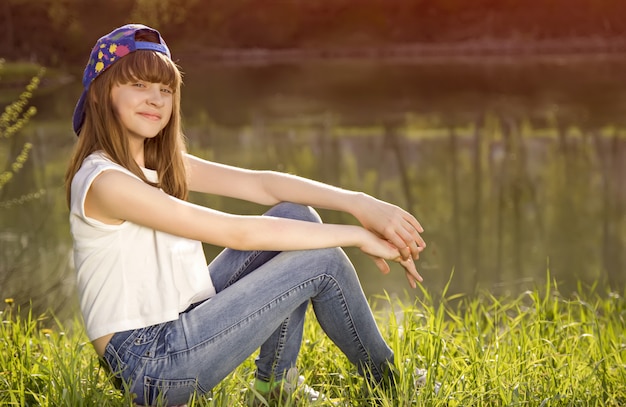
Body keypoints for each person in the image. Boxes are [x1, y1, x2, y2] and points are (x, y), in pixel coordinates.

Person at [64, 24, 428, 407]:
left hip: (180, 322)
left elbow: (262, 186)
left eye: (166, 89)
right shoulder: (105, 181)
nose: (156, 99)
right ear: (103, 94)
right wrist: (357, 235)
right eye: (139, 85)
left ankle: (273, 388)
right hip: (150, 363)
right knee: (322, 261)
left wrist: (359, 202)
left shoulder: (155, 164)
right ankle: (390, 383)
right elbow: (236, 232)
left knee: (295, 214)